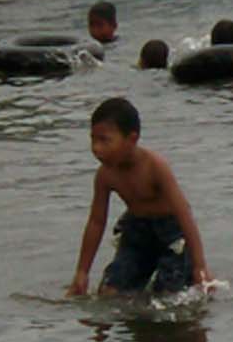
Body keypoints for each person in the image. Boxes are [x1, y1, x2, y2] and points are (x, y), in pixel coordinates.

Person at [68, 97, 212, 297]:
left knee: (168, 297)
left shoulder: (155, 167)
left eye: (104, 140)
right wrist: (82, 272)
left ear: (131, 139)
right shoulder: (105, 175)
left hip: (172, 233)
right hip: (137, 231)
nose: (96, 148)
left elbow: (183, 213)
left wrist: (200, 266)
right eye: (93, 139)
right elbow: (96, 222)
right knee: (110, 293)